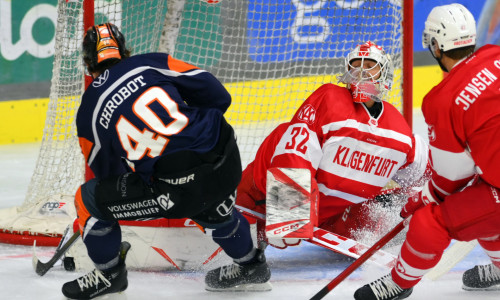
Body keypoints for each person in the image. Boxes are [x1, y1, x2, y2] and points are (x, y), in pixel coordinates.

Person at [62, 23, 270, 299]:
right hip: (226, 156)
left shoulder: (89, 110)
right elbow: (218, 95)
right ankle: (251, 266)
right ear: (126, 52)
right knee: (206, 195)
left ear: (88, 65)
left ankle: (110, 274)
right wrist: (188, 133)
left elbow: (106, 175)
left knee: (88, 199)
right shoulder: (151, 62)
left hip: (178, 188)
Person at [354, 4, 500, 300]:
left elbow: (449, 180)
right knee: (479, 196)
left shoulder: (442, 100)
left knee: (431, 220)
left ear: (435, 45)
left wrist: (422, 199)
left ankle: (399, 282)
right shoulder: (496, 56)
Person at [236, 41, 429, 248]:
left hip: (331, 216)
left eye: (370, 65)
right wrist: (289, 213)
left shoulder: (399, 131)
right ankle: (249, 224)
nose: (361, 71)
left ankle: (386, 223)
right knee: (285, 132)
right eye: (355, 65)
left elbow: (429, 174)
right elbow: (296, 148)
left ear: (384, 73)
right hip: (260, 198)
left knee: (374, 216)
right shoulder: (330, 99)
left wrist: (452, 195)